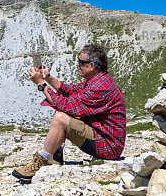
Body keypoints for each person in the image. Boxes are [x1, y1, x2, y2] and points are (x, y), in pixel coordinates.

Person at [12, 44, 126, 182]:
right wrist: (48, 77)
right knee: (67, 112)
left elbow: (67, 105)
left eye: (81, 62)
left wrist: (41, 85)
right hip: (103, 137)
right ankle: (55, 156)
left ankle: (41, 161)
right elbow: (71, 90)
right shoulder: (98, 80)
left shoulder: (100, 87)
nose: (78, 65)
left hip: (108, 146)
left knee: (61, 117)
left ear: (92, 66)